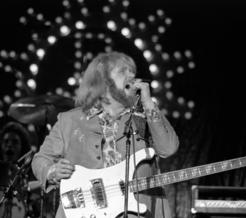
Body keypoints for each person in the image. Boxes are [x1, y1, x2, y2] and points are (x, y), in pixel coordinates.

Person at [31, 51, 179, 218]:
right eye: (123, 71)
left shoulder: (143, 116)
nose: (131, 75)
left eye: (132, 71)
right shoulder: (69, 120)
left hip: (138, 211)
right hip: (85, 212)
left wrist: (148, 104)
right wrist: (51, 171)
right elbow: (40, 160)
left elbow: (169, 148)